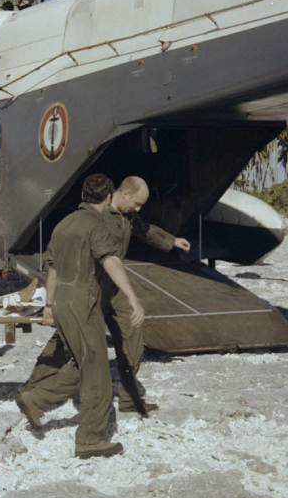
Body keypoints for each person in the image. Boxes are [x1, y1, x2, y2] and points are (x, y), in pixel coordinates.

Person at [15, 174, 140, 459]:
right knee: (97, 373)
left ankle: (35, 398)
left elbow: (54, 270)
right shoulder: (96, 225)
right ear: (108, 198)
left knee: (82, 362)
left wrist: (49, 305)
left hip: (62, 300)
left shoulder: (64, 224)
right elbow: (110, 260)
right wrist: (132, 297)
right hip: (84, 300)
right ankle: (90, 439)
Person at [104, 177, 190, 414]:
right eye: (138, 203)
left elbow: (145, 230)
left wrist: (172, 240)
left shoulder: (128, 216)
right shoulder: (96, 213)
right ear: (125, 194)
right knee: (69, 344)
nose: (139, 209)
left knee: (133, 333)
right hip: (91, 287)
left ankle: (129, 399)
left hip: (115, 287)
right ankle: (36, 393)